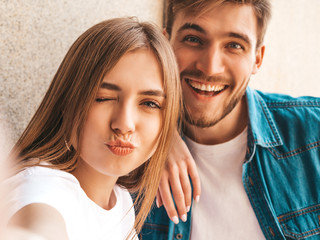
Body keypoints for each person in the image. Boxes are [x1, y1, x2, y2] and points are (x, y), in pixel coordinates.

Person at [141, 0, 320, 240]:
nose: (210, 67)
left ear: (258, 58)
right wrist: (159, 134)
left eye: (234, 45)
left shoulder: (313, 132)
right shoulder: (132, 149)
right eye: (193, 39)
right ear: (165, 44)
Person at [3, 17, 181, 240]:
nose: (124, 124)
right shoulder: (39, 189)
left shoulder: (120, 199)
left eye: (149, 104)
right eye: (103, 98)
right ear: (67, 102)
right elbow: (40, 222)